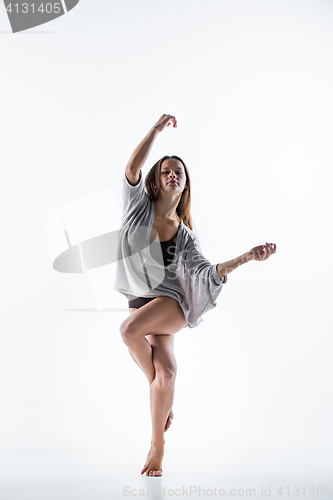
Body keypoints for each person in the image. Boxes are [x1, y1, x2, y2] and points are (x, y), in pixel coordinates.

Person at [114, 114, 277, 477]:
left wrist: (247, 257)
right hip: (140, 300)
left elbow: (206, 273)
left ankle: (156, 448)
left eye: (179, 173)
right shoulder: (137, 207)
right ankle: (159, 414)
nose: (173, 175)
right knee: (166, 375)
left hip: (171, 303)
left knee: (128, 332)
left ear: (185, 185)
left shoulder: (185, 235)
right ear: (156, 179)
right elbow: (131, 167)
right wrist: (155, 131)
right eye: (166, 171)